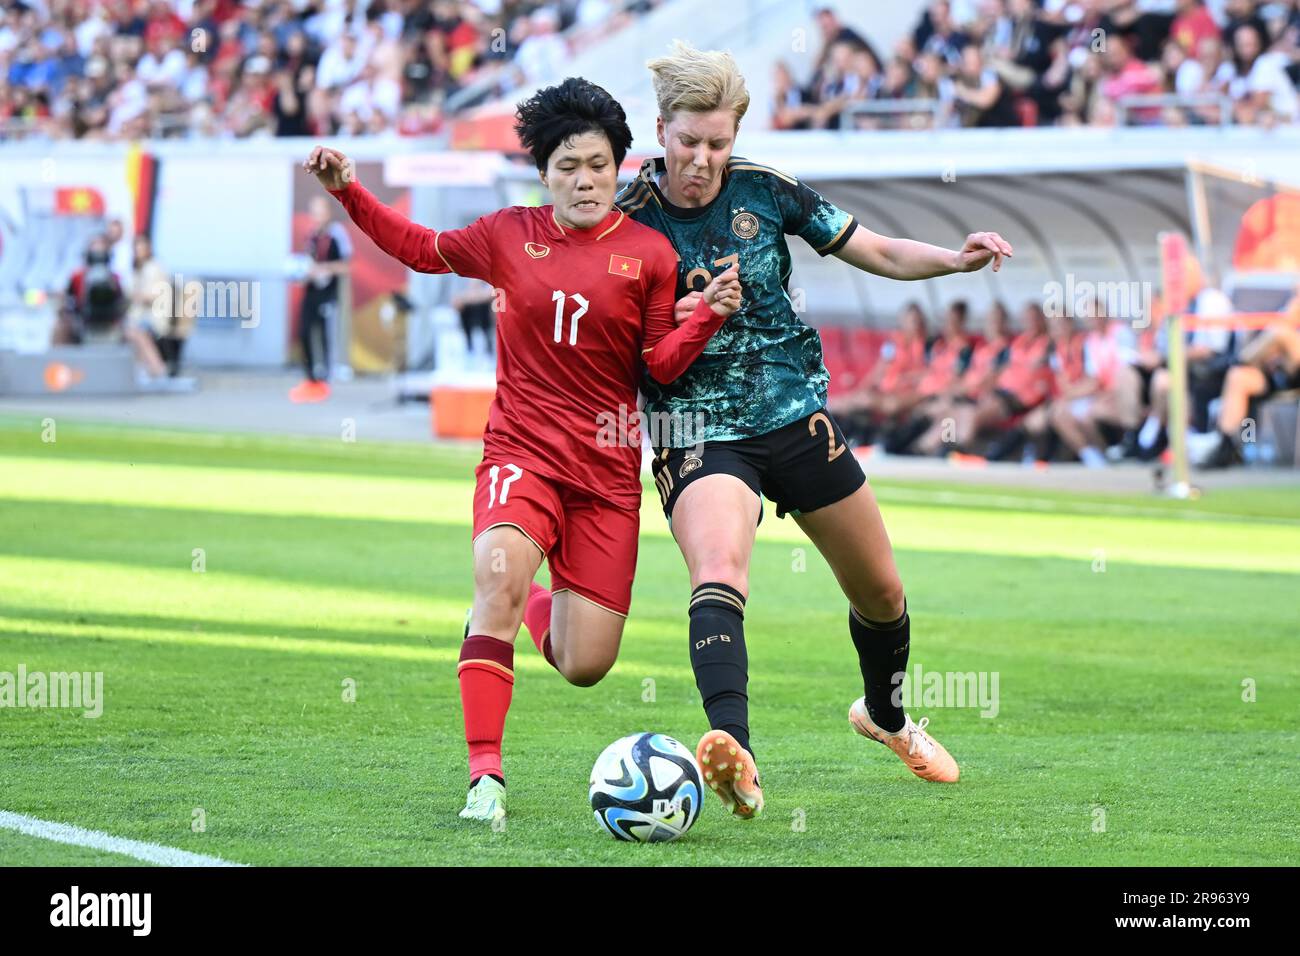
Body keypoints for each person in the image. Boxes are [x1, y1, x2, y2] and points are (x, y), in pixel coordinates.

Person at [305, 77, 741, 825]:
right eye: (569, 165)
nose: (585, 179)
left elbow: (660, 364)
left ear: (618, 168)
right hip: (522, 453)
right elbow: (421, 250)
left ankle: (519, 606)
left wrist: (705, 318)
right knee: (497, 583)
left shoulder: (650, 254)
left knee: (584, 663)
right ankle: (486, 781)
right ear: (544, 170)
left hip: (605, 475)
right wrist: (349, 193)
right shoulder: (509, 233)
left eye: (599, 165)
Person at [616, 42, 1013, 818]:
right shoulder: (627, 220)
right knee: (721, 570)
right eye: (688, 141)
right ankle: (738, 755)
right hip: (698, 427)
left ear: (735, 137)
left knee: (882, 591)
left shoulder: (766, 192)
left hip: (797, 416)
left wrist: (954, 261)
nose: (701, 159)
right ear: (660, 130)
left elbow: (876, 249)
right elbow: (624, 340)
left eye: (717, 143)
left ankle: (887, 715)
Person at [290, 195, 351, 403]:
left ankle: (325, 379)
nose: (316, 216)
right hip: (311, 291)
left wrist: (324, 269)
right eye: (313, 211)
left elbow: (345, 266)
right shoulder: (312, 236)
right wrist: (303, 271)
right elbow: (307, 262)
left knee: (326, 335)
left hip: (328, 294)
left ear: (328, 212)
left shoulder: (337, 235)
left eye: (320, 211)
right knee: (305, 332)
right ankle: (310, 378)